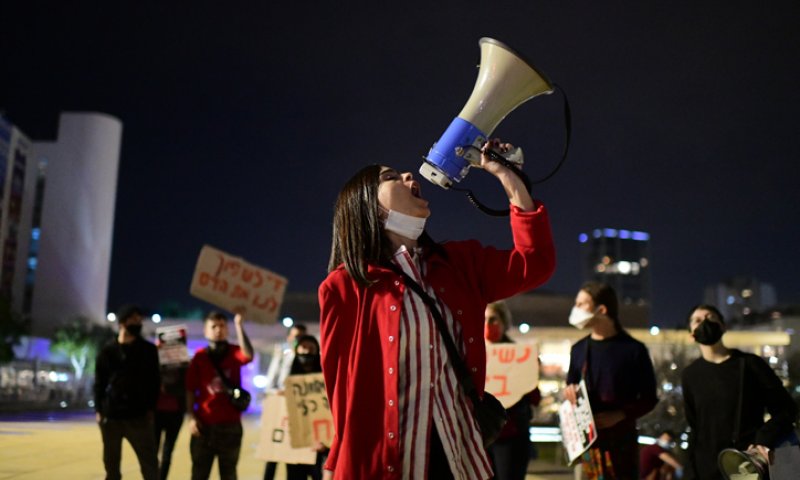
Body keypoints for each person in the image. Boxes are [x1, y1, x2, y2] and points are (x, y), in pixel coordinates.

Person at [318, 139, 556, 479]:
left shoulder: (459, 264)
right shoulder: (344, 287)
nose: (407, 174)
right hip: (388, 465)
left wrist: (509, 177)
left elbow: (536, 263)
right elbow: (342, 393)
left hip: (458, 458)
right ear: (366, 204)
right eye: (389, 177)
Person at [681, 304, 798, 480]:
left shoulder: (750, 364)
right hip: (706, 469)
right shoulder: (690, 375)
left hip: (745, 466)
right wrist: (690, 473)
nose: (705, 322)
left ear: (723, 326)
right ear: (691, 334)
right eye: (697, 320)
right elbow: (695, 427)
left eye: (711, 318)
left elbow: (786, 409)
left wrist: (763, 440)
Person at [564, 281, 658, 480]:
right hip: (587, 444)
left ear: (602, 309)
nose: (576, 309)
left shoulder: (634, 350)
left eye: (581, 304)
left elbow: (649, 398)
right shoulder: (579, 349)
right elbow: (570, 385)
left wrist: (621, 414)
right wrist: (570, 392)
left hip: (621, 444)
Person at [94, 304, 161, 480]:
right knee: (111, 465)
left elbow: (154, 381)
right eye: (134, 320)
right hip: (112, 416)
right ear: (122, 323)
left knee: (150, 465)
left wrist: (150, 408)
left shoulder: (148, 350)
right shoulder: (107, 351)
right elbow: (99, 383)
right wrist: (99, 410)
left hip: (138, 416)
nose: (138, 324)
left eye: (140, 320)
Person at [186, 310, 254, 480]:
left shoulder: (234, 352)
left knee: (229, 474)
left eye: (222, 326)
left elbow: (248, 355)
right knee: (199, 474)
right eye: (213, 326)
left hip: (230, 426)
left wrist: (239, 325)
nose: (218, 330)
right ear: (205, 330)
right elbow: (190, 389)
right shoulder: (200, 357)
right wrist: (191, 417)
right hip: (204, 426)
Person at [484, 301, 541, 480]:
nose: (487, 325)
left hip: (510, 434)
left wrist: (531, 372)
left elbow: (535, 397)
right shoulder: (469, 353)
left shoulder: (520, 356)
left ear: (504, 322)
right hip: (478, 435)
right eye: (483, 319)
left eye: (493, 319)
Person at [264, 323, 308, 480]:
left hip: (301, 415)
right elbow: (270, 385)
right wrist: (280, 392)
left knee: (295, 462)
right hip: (280, 412)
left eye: (302, 337)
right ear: (289, 337)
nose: (299, 340)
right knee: (272, 457)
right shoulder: (282, 356)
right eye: (296, 336)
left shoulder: (310, 358)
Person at [285, 334, 329, 480]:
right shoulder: (288, 378)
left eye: (311, 348)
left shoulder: (327, 379)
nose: (307, 352)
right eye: (303, 348)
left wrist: (325, 441)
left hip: (321, 447)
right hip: (296, 447)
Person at [154, 362, 187, 480]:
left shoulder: (183, 364)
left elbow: (187, 385)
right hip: (156, 413)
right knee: (152, 451)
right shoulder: (153, 359)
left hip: (175, 413)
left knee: (167, 451)